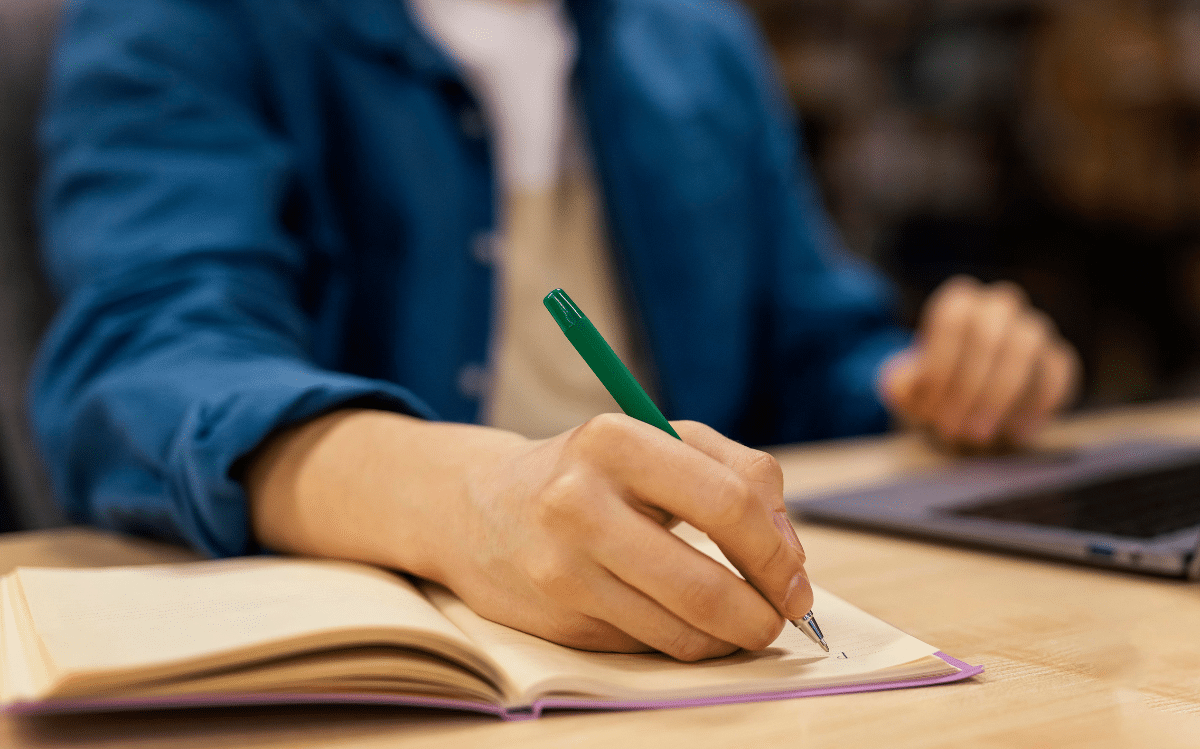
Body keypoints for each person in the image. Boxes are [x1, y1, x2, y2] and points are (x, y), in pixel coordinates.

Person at [32, 0, 1078, 661]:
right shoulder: (188, 20)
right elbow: (142, 360)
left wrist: (926, 379)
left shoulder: (697, 34)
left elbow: (811, 349)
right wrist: (463, 496)